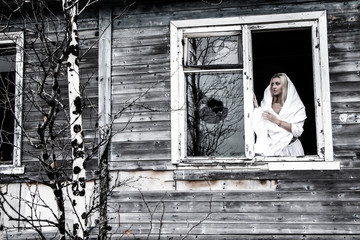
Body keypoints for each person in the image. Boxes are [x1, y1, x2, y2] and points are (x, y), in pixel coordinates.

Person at [253, 73, 306, 156]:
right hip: (273, 150)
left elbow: (298, 131)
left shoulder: (296, 106)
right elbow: (262, 127)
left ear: (284, 86)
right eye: (272, 84)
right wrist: (257, 109)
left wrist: (277, 121)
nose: (274, 87)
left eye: (277, 84)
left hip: (292, 148)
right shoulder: (267, 105)